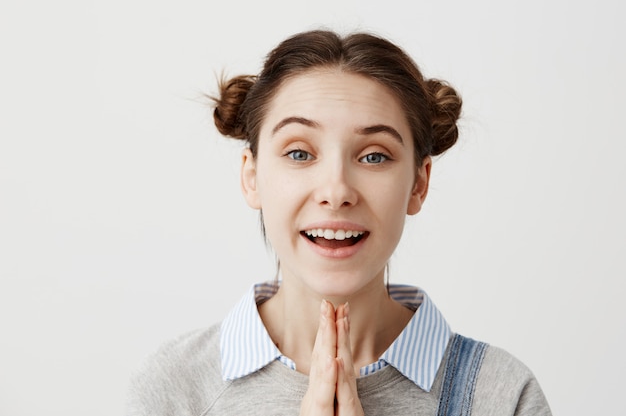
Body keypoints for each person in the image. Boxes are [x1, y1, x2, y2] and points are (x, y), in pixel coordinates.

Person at [126, 29, 552, 416]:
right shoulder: (175, 389)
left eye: (374, 156)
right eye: (299, 153)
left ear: (418, 184)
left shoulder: (500, 396)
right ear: (252, 177)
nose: (337, 189)